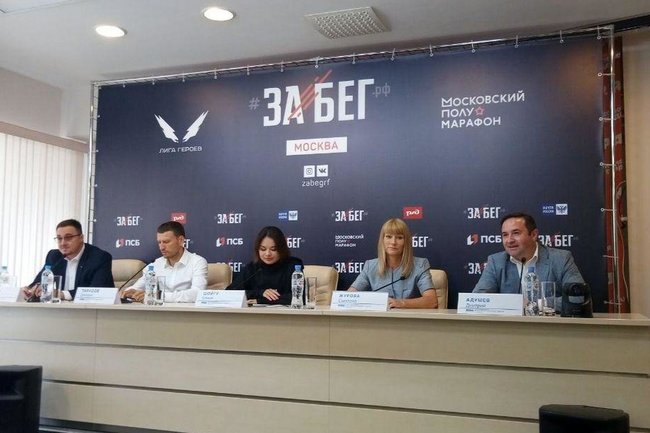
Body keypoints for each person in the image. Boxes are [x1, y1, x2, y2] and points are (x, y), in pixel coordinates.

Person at [473, 212, 585, 293]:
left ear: (534, 235)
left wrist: (536, 304)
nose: (509, 240)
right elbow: (479, 299)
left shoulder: (561, 259)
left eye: (516, 233)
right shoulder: (496, 261)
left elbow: (578, 297)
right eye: (505, 235)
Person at [348, 218, 438, 309]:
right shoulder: (370, 266)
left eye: (399, 238)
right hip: (379, 317)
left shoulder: (420, 265)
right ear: (382, 240)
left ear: (406, 242)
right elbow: (349, 297)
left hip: (408, 317)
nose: (393, 242)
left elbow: (432, 301)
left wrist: (401, 303)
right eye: (388, 237)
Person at [22, 219, 114, 301]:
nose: (63, 243)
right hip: (58, 310)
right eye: (59, 238)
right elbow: (40, 280)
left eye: (68, 238)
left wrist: (62, 294)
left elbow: (97, 292)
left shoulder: (99, 258)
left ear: (81, 238)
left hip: (90, 311)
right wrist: (31, 289)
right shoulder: (54, 256)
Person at [121, 221, 207, 303]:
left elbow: (197, 293)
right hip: (158, 311)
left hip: (186, 312)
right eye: (159, 242)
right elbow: (137, 287)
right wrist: (129, 292)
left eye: (166, 242)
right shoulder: (155, 264)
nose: (161, 247)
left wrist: (158, 296)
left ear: (180, 240)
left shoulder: (197, 262)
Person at [226, 226, 302, 305]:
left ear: (281, 249)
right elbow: (229, 293)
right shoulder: (252, 268)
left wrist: (260, 301)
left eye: (273, 249)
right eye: (263, 249)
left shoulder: (293, 266)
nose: (267, 253)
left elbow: (300, 297)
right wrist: (260, 293)